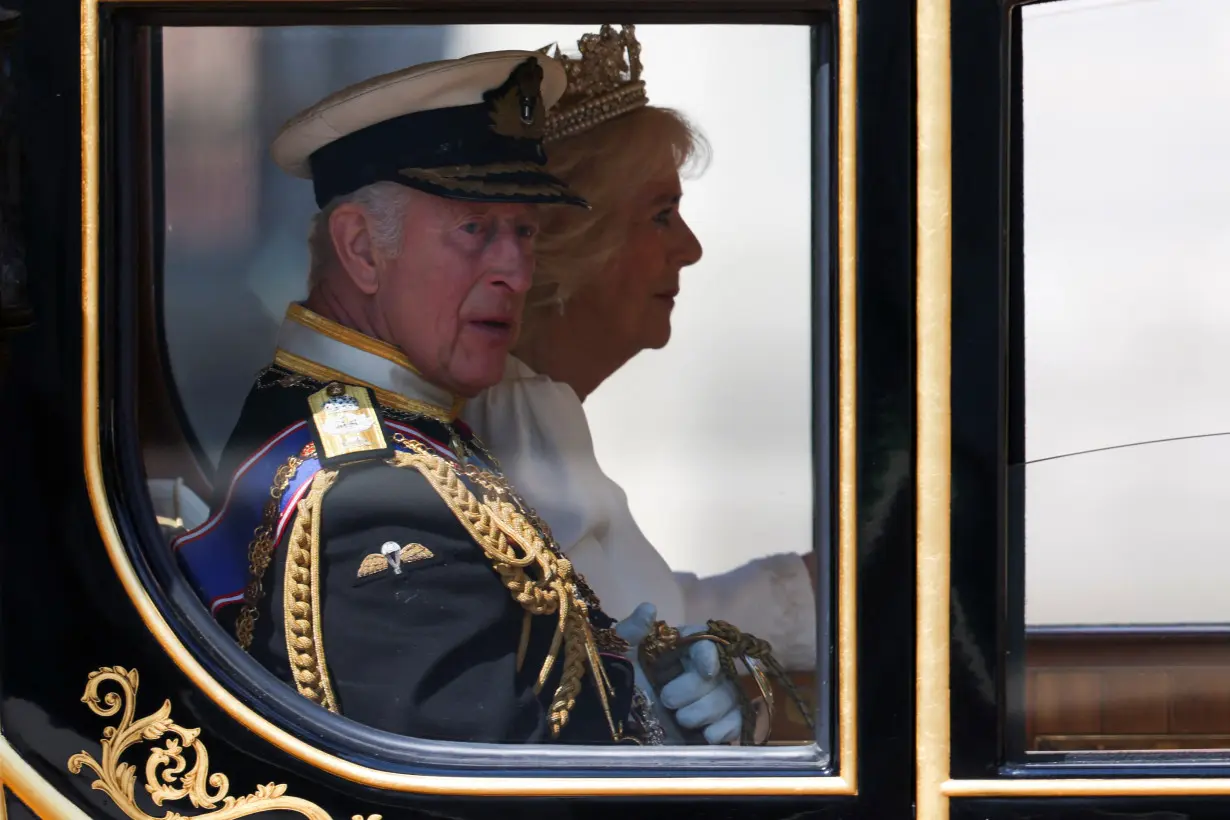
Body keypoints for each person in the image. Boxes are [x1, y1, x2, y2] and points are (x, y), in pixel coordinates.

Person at [167, 50, 746, 746]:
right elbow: (480, 774)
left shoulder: (396, 422)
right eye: (475, 229)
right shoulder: (365, 491)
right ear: (360, 248)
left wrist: (648, 667)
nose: (515, 272)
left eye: (525, 232)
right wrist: (662, 721)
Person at [463, 25, 818, 676]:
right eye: (660, 215)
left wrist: (819, 586)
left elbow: (654, 612)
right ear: (569, 247)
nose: (690, 248)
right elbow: (630, 670)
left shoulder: (537, 406)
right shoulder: (512, 420)